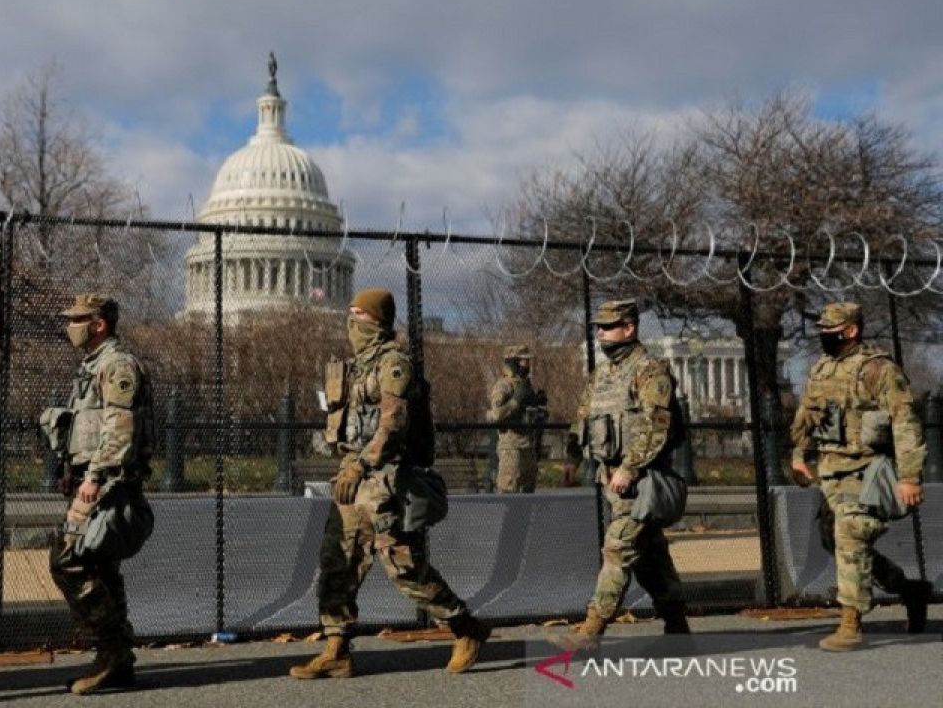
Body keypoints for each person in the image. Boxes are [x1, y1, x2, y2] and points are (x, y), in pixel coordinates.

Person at [290, 288, 489, 679]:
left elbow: (392, 424)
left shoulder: (395, 364)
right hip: (353, 480)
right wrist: (350, 467)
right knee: (337, 564)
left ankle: (466, 628)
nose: (351, 322)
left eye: (359, 315)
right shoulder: (356, 366)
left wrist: (360, 465)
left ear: (378, 322)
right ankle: (336, 648)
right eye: (349, 313)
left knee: (404, 567)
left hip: (386, 481)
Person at [789, 301, 930, 651]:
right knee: (832, 539)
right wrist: (799, 454)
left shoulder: (879, 369)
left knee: (850, 532)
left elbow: (905, 421)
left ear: (851, 330)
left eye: (831, 331)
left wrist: (910, 476)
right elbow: (807, 414)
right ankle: (907, 589)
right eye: (821, 331)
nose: (825, 337)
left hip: (866, 470)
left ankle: (850, 623)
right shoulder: (822, 368)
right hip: (831, 470)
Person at [550, 299, 688, 650]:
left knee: (618, 549)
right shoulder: (601, 375)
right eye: (598, 327)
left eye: (608, 326)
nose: (601, 333)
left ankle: (591, 631)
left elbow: (656, 427)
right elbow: (582, 419)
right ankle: (677, 627)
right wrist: (572, 459)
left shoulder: (650, 371)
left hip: (641, 482)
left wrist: (629, 469)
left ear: (630, 328)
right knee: (650, 557)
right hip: (613, 481)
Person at [46, 293, 155, 693]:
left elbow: (119, 432)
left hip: (106, 487)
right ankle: (117, 661)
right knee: (100, 568)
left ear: (99, 324)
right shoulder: (93, 367)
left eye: (76, 318)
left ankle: (112, 652)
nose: (68, 325)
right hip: (92, 481)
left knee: (67, 561)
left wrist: (91, 483)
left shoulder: (117, 366)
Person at [487, 345, 547, 493]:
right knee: (510, 493)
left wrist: (539, 406)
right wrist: (516, 402)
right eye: (523, 361)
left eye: (528, 361)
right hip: (511, 448)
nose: (528, 365)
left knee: (528, 496)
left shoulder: (526, 385)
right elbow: (495, 416)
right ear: (513, 362)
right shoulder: (504, 385)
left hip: (529, 447)